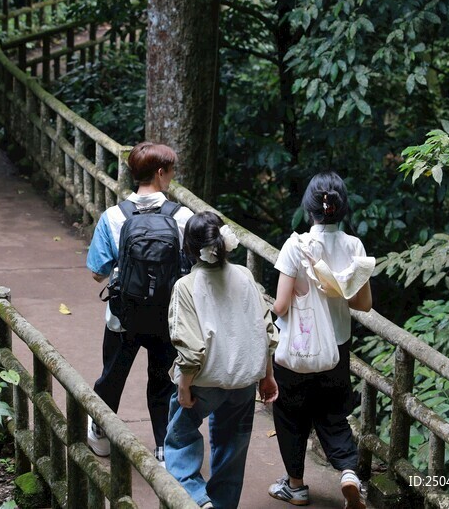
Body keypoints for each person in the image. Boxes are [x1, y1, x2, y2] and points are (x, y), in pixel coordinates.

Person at [268, 171, 373, 508]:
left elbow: (281, 306)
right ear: (341, 207)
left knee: (290, 413)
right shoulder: (353, 245)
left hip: (297, 349)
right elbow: (364, 304)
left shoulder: (295, 246)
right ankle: (347, 473)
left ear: (308, 207)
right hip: (337, 348)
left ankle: (296, 486)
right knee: (332, 413)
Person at [86, 141, 193, 464]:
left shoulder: (113, 216)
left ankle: (102, 432)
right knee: (163, 382)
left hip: (124, 316)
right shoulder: (183, 216)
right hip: (169, 317)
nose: (172, 176)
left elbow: (97, 273)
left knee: (112, 376)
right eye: (171, 171)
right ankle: (164, 445)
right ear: (161, 173)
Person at [164, 211, 279, 509]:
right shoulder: (245, 276)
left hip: (204, 381)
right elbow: (265, 329)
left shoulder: (186, 286)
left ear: (188, 247)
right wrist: (267, 375)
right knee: (232, 449)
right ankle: (222, 504)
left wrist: (183, 387)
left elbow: (190, 349)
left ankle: (197, 499)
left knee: (179, 439)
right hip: (244, 379)